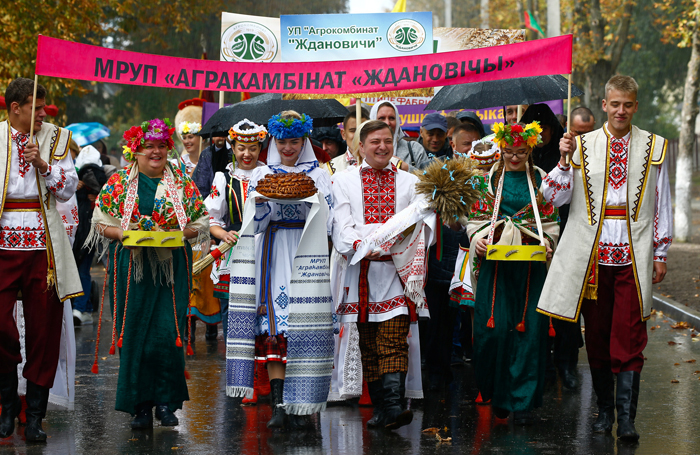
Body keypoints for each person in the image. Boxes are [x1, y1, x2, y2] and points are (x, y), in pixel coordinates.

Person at [538, 75, 672, 441]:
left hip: (633, 253)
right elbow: (552, 197)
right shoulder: (580, 146)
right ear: (605, 105)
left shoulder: (653, 146)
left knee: (629, 337)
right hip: (592, 258)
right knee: (596, 336)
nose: (621, 111)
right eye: (615, 104)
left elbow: (661, 201)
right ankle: (604, 411)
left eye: (628, 105)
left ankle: (627, 420)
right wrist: (563, 160)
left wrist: (661, 251)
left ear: (636, 106)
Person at [88, 118, 209, 429]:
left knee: (169, 335)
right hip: (131, 270)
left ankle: (166, 404)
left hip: (171, 271)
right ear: (135, 151)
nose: (156, 152)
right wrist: (122, 235)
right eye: (148, 148)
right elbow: (100, 222)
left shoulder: (181, 180)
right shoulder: (118, 183)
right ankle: (140, 406)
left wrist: (182, 233)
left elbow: (200, 223)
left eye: (161, 147)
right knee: (134, 334)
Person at [226, 111, 334, 430]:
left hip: (307, 249)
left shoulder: (319, 174)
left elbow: (328, 223)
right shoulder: (262, 175)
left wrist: (311, 205)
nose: (288, 147)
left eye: (295, 141)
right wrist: (261, 204)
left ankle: (304, 407)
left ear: (304, 142)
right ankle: (279, 405)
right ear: (274, 140)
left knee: (303, 328)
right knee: (274, 327)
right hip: (273, 251)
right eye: (283, 141)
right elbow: (255, 225)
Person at [332, 120, 433, 430]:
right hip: (358, 273)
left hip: (396, 271)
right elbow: (342, 226)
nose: (382, 147)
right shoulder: (343, 180)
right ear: (360, 147)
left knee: (393, 339)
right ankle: (381, 410)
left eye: (387, 141)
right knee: (368, 343)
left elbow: (421, 224)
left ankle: (392, 406)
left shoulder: (411, 182)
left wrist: (384, 240)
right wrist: (362, 243)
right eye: (374, 141)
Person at [0, 77, 82, 442]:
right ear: (15, 108)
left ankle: (34, 417)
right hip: (3, 243)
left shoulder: (57, 137)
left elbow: (68, 189)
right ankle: (6, 408)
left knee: (44, 331)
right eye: (35, 107)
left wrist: (45, 165)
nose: (43, 114)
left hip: (43, 245)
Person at [466, 121, 559, 425]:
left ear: (530, 148)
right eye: (508, 152)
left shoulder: (542, 181)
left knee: (528, 332)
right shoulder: (486, 182)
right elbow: (475, 219)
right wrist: (477, 238)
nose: (515, 158)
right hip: (495, 269)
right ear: (500, 149)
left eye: (521, 152)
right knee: (492, 330)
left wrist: (547, 242)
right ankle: (494, 390)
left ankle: (518, 399)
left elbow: (551, 224)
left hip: (529, 269)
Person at [204, 118, 267, 404]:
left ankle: (265, 379)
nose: (247, 154)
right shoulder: (223, 179)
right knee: (234, 319)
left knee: (262, 315)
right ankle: (240, 380)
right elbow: (211, 220)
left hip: (265, 249)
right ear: (232, 147)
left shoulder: (269, 176)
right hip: (234, 252)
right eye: (241, 148)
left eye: (252, 148)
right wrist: (223, 234)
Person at [519, 104, 577, 389]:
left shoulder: (566, 155)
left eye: (545, 129)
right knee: (535, 307)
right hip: (527, 239)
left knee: (565, 303)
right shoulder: (519, 157)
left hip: (564, 235)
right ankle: (538, 365)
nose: (540, 135)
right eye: (533, 129)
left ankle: (567, 364)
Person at [72, 144, 108, 326]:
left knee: (78, 269)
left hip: (76, 230)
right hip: (90, 230)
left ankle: (79, 308)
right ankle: (81, 308)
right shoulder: (103, 174)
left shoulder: (77, 174)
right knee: (83, 270)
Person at [370, 101, 430, 171]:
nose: (387, 123)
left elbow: (428, 179)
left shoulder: (415, 149)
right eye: (381, 118)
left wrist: (404, 167)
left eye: (391, 118)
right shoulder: (365, 150)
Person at [192, 133, 231, 200]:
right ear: (212, 136)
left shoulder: (233, 152)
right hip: (210, 199)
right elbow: (201, 183)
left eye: (222, 135)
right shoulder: (206, 154)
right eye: (217, 134)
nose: (220, 138)